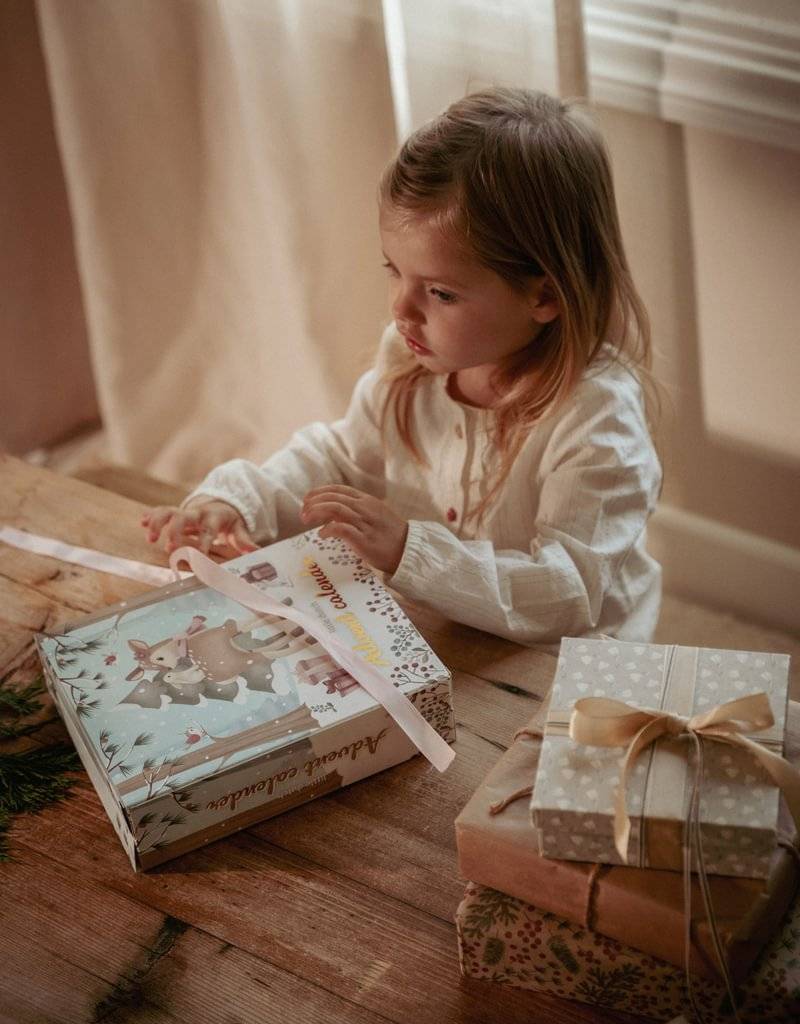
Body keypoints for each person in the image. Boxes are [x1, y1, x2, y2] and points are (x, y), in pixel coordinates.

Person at [142, 87, 662, 644]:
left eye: (440, 292)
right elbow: (340, 462)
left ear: (545, 296)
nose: (400, 309)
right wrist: (241, 498)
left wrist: (409, 550)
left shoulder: (597, 419)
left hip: (564, 663)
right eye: (394, 270)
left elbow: (568, 593)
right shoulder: (412, 359)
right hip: (443, 629)